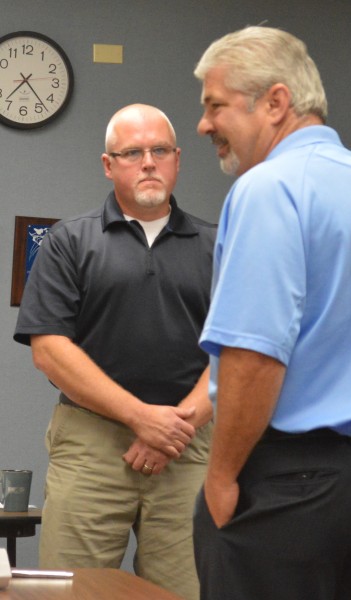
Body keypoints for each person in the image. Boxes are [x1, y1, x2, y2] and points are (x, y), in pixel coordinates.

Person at [192, 26, 351, 600]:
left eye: (215, 105)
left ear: (275, 102)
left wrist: (221, 478)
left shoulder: (268, 189)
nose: (203, 125)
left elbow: (254, 355)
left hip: (289, 485)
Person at [14, 104, 215, 600]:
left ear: (177, 159)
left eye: (160, 151)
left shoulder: (220, 245)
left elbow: (241, 353)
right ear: (109, 165)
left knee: (187, 592)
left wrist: (173, 426)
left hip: (187, 447)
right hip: (91, 445)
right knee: (73, 592)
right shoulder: (68, 241)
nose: (148, 162)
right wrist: (141, 418)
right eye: (132, 153)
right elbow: (50, 351)